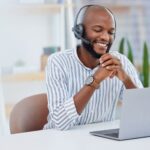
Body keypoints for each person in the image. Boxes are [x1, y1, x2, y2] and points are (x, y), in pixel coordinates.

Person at [43, 5, 143, 131]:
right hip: (60, 140)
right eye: (97, 30)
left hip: (100, 141)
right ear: (80, 31)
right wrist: (94, 80)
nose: (106, 37)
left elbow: (144, 112)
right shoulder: (58, 62)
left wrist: (125, 79)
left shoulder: (120, 62)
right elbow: (59, 123)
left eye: (111, 32)